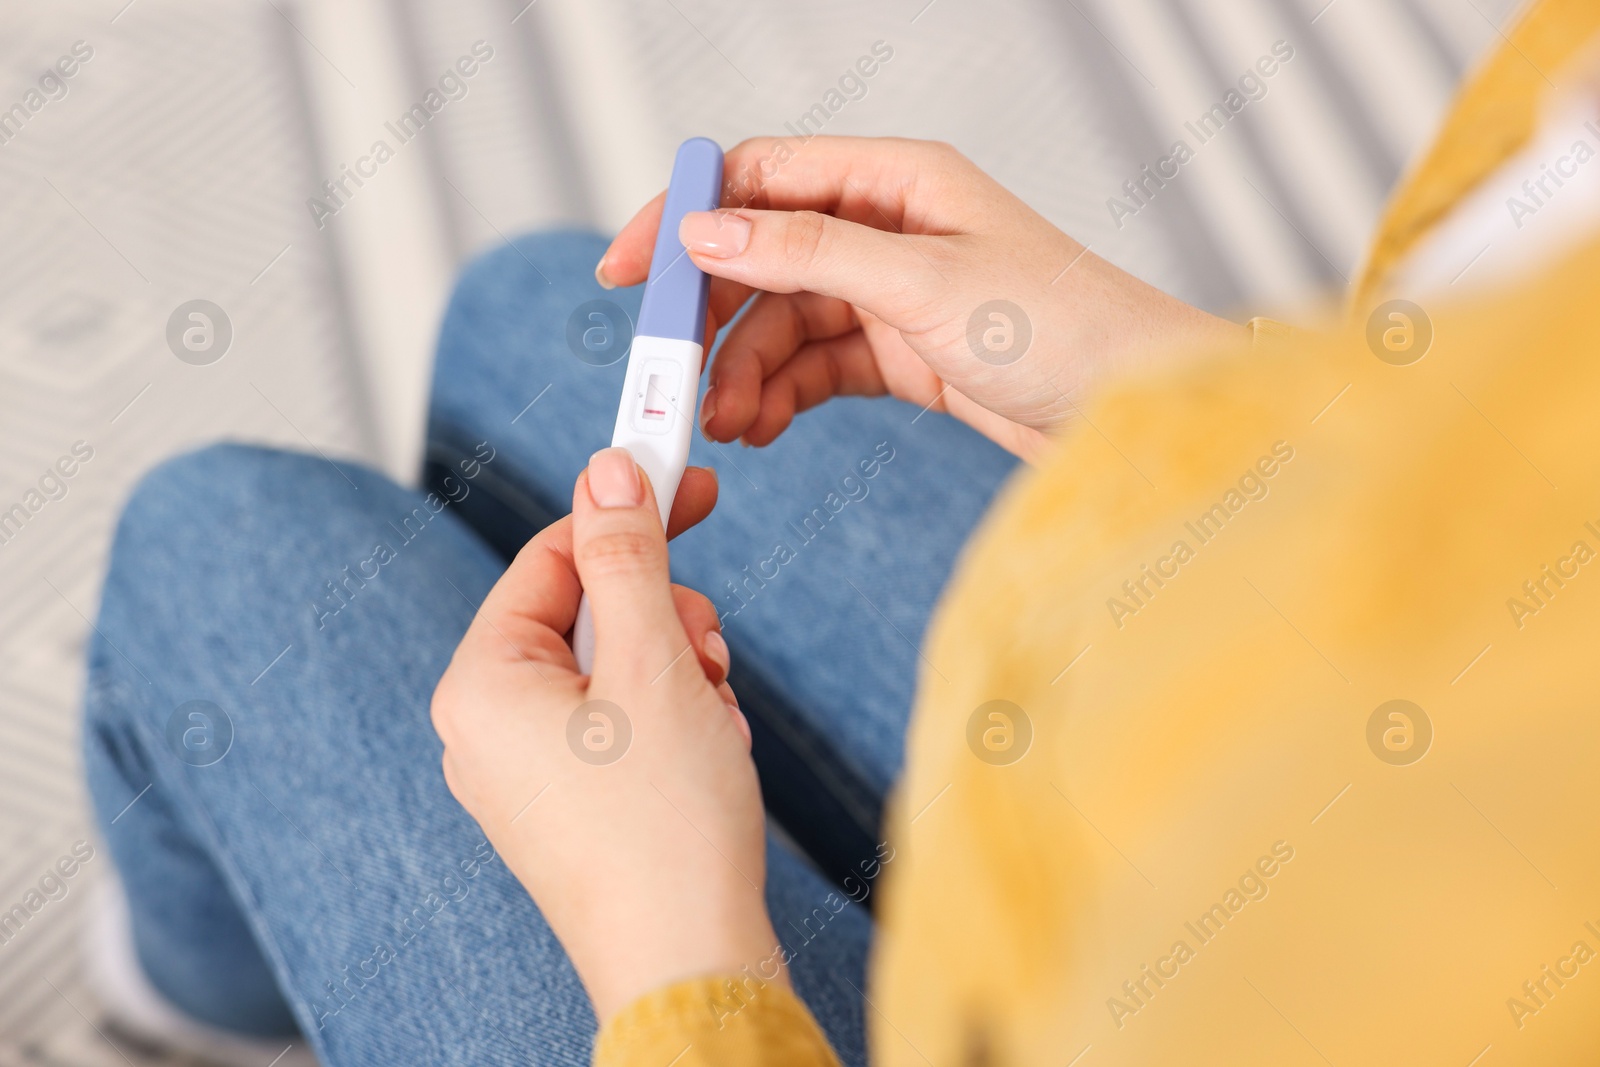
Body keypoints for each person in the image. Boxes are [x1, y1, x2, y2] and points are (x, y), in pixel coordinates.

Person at [84, 1, 1600, 1063]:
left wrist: (676, 961)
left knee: (220, 542)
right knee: (543, 316)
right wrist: (1196, 404)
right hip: (1257, 711)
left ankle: (189, 1005)